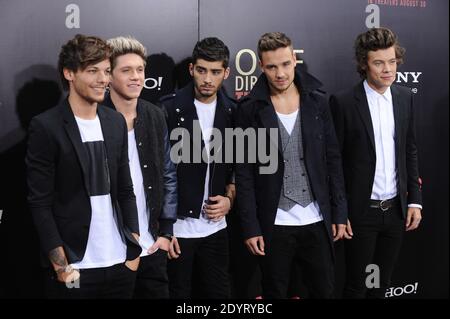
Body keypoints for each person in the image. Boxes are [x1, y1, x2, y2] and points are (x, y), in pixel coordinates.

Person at [26, 34, 141, 299]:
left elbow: (125, 189)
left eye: (106, 71)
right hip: (76, 268)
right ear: (69, 73)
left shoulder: (114, 122)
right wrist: (62, 266)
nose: (103, 80)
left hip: (120, 263)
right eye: (93, 71)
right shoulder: (46, 127)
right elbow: (40, 203)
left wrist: (133, 249)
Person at [235, 32, 347, 299]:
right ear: (261, 67)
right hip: (275, 222)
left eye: (285, 64)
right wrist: (251, 227)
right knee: (274, 292)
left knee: (324, 291)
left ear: (295, 60)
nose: (280, 73)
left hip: (317, 219)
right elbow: (244, 174)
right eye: (272, 66)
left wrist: (340, 212)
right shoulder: (248, 109)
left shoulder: (318, 101)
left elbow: (333, 160)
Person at [329, 27, 422, 298]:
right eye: (379, 62)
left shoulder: (405, 98)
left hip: (395, 211)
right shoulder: (344, 102)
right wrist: (340, 211)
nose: (387, 69)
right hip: (360, 213)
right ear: (363, 64)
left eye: (392, 62)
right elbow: (334, 163)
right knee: (357, 287)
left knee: (381, 286)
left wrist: (414, 200)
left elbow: (410, 150)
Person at [159, 37, 236, 298]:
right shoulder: (168, 109)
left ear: (226, 73)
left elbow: (239, 167)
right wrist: (166, 229)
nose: (207, 79)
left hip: (217, 229)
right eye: (202, 70)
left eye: (215, 72)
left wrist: (229, 198)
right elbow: (157, 174)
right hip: (178, 230)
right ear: (191, 69)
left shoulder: (233, 112)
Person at [103, 36, 177, 298]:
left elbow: (168, 174)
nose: (136, 77)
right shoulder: (95, 119)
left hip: (152, 248)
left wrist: (166, 232)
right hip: (112, 251)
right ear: (108, 76)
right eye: (126, 70)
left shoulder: (155, 114)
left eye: (140, 70)